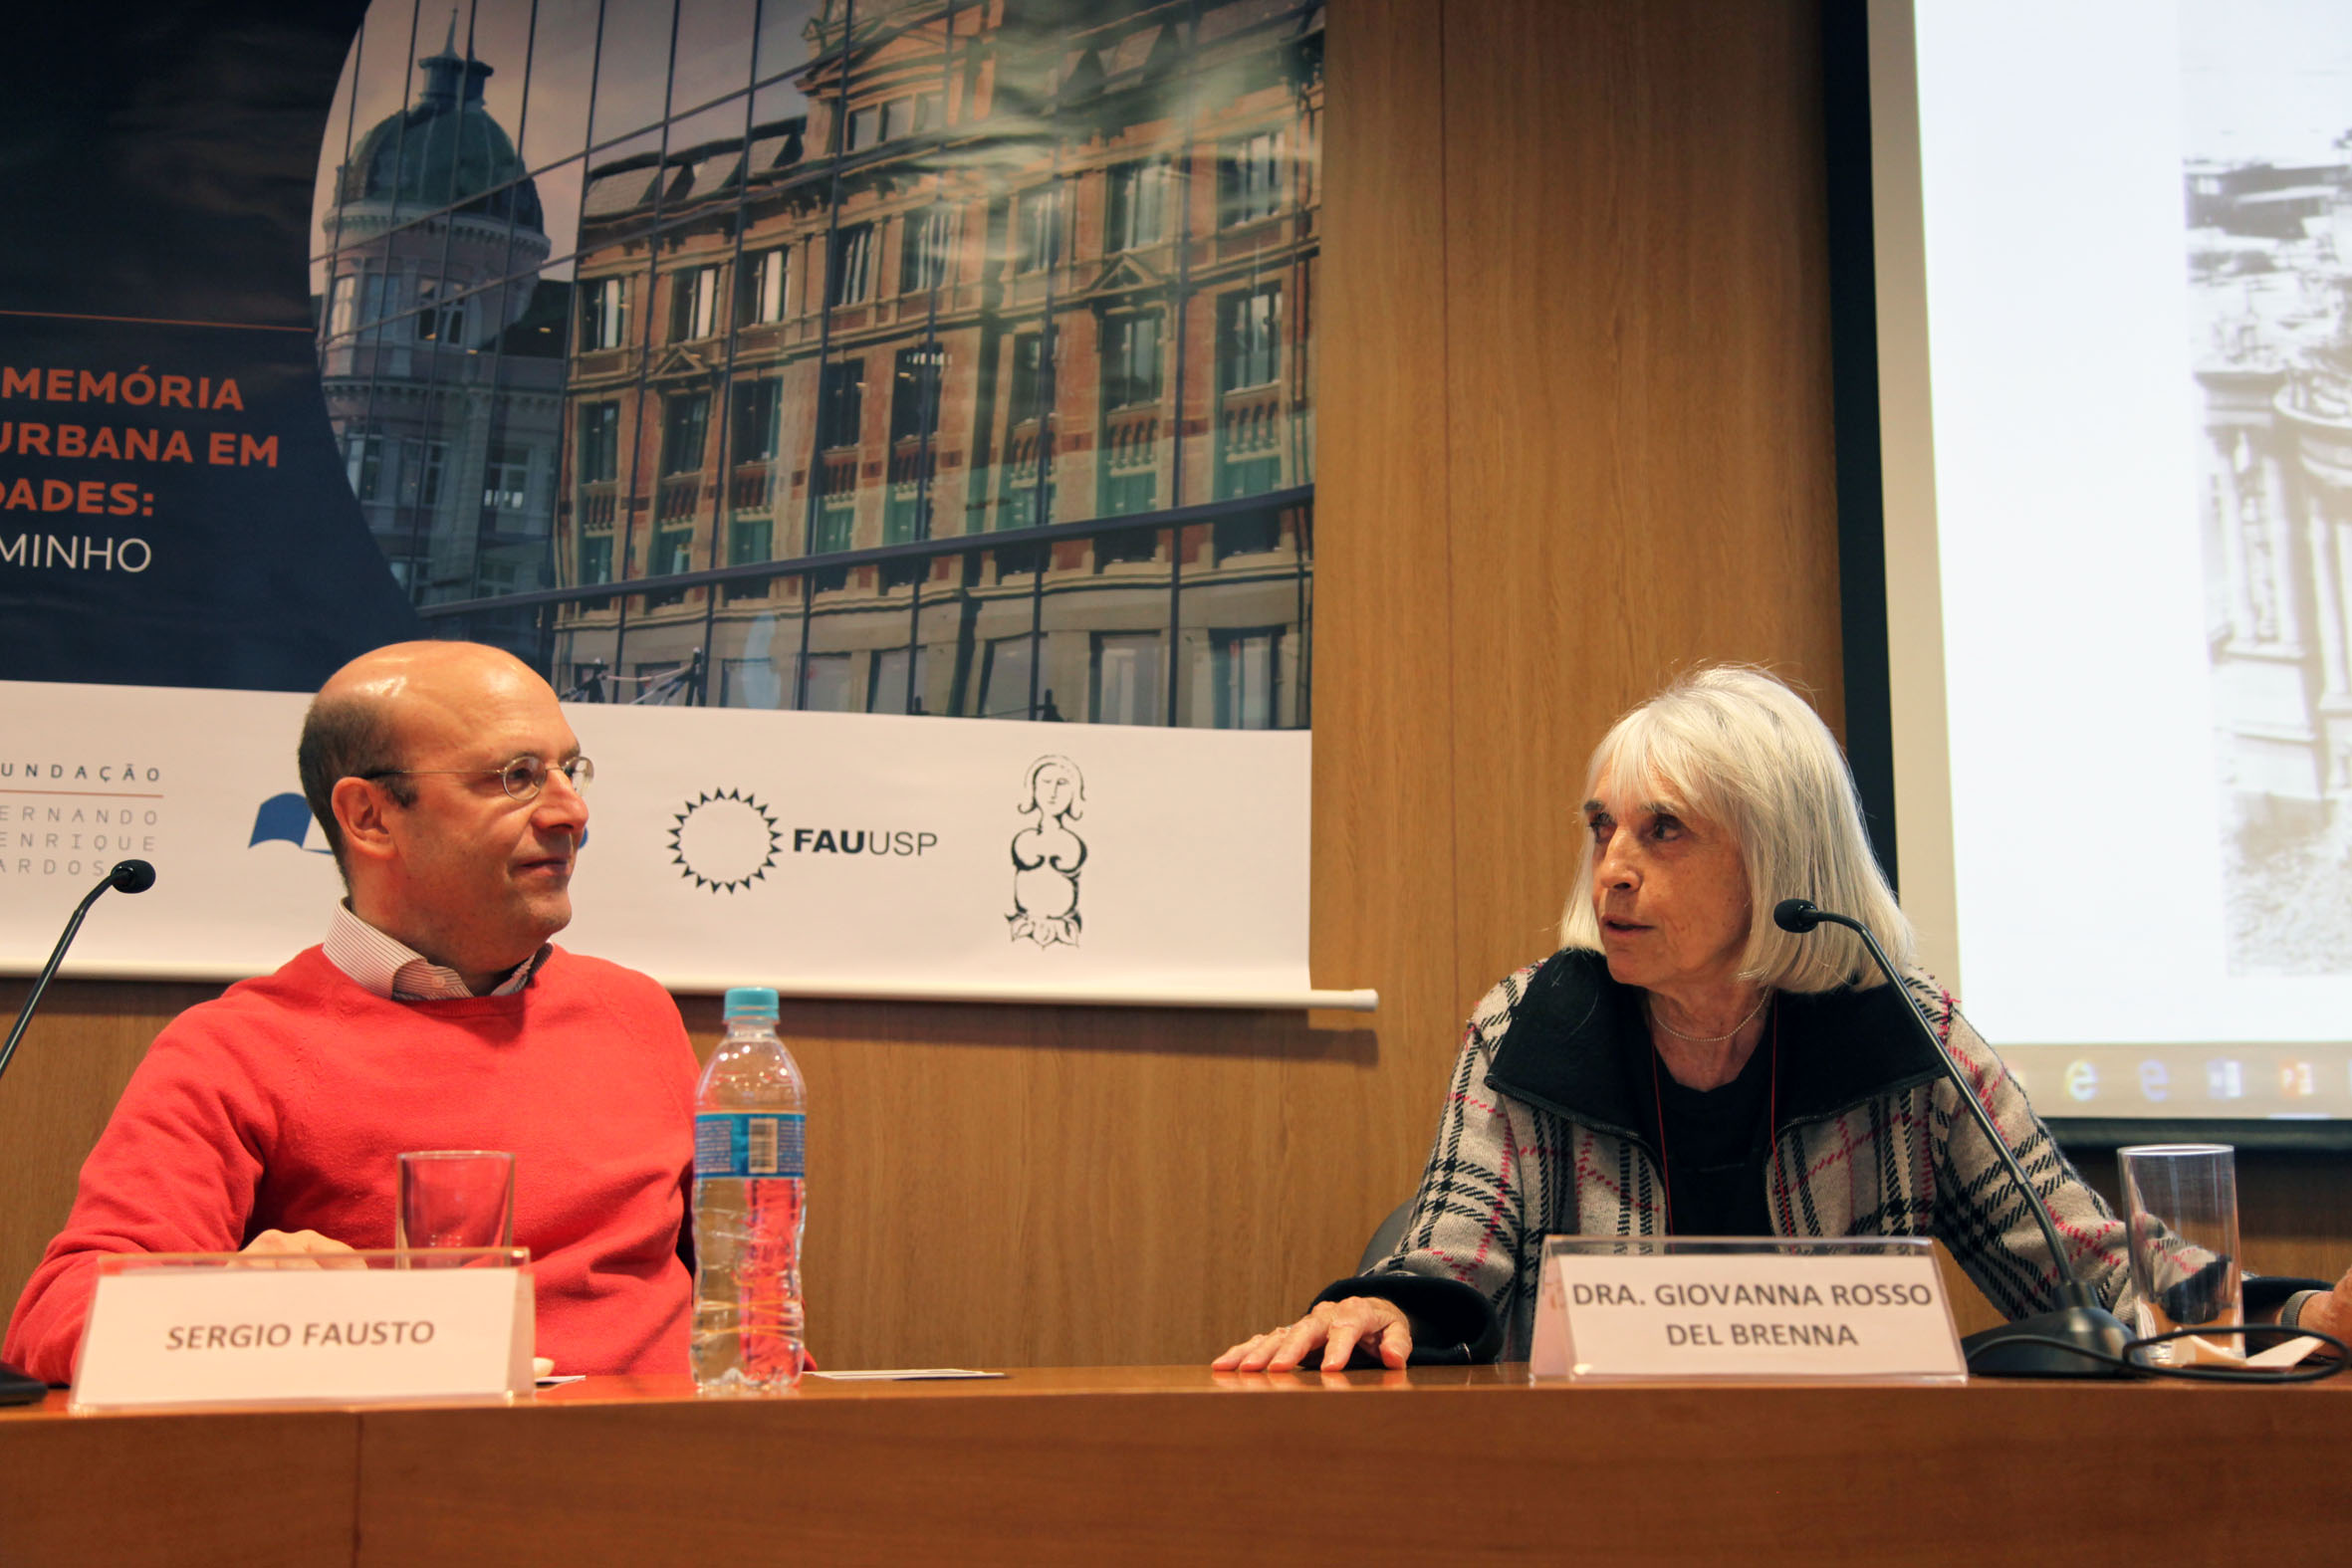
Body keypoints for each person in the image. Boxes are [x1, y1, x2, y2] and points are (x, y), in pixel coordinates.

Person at [1216, 666, 2352, 1372]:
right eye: (1603, 827)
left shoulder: (1902, 1033)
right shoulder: (1532, 1025)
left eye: (1664, 831)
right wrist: (1381, 1306)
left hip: (1843, 1497)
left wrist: (2303, 1310)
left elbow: (2082, 1267)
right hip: (1587, 1495)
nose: (1612, 869)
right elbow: (1451, 1248)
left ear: (1781, 856)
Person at [3, 641, 699, 1384]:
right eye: (517, 777)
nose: (571, 811)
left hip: (682, 1449)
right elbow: (55, 1315)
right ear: (369, 816)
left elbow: (750, 1278)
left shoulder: (638, 1014)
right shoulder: (235, 1049)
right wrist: (224, 1299)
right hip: (409, 1451)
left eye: (569, 769)